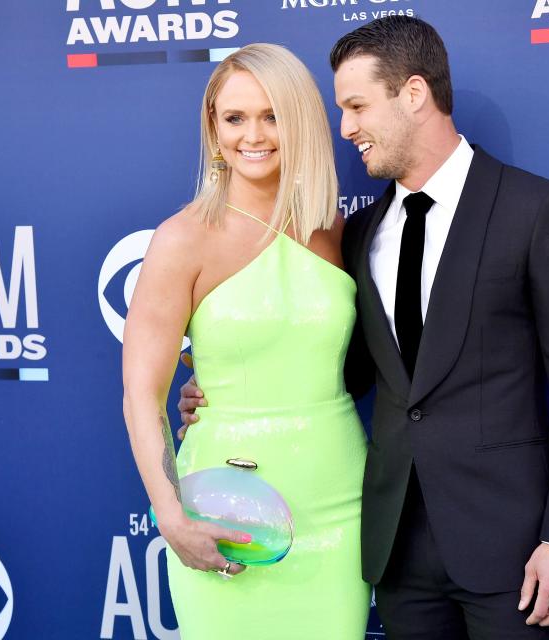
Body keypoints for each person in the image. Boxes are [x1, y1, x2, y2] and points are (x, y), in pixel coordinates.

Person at [181, 16, 549, 639]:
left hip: (516, 553)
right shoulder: (358, 235)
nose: (345, 128)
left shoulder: (538, 210)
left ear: (414, 93)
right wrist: (225, 391)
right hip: (396, 551)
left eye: (357, 106)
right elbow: (347, 368)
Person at [122, 43, 370, 639]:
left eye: (272, 116)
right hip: (223, 510)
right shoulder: (181, 240)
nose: (253, 135)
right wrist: (172, 518)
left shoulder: (333, 230)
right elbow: (141, 395)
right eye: (235, 118)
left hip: (339, 503)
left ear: (301, 122)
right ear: (213, 129)